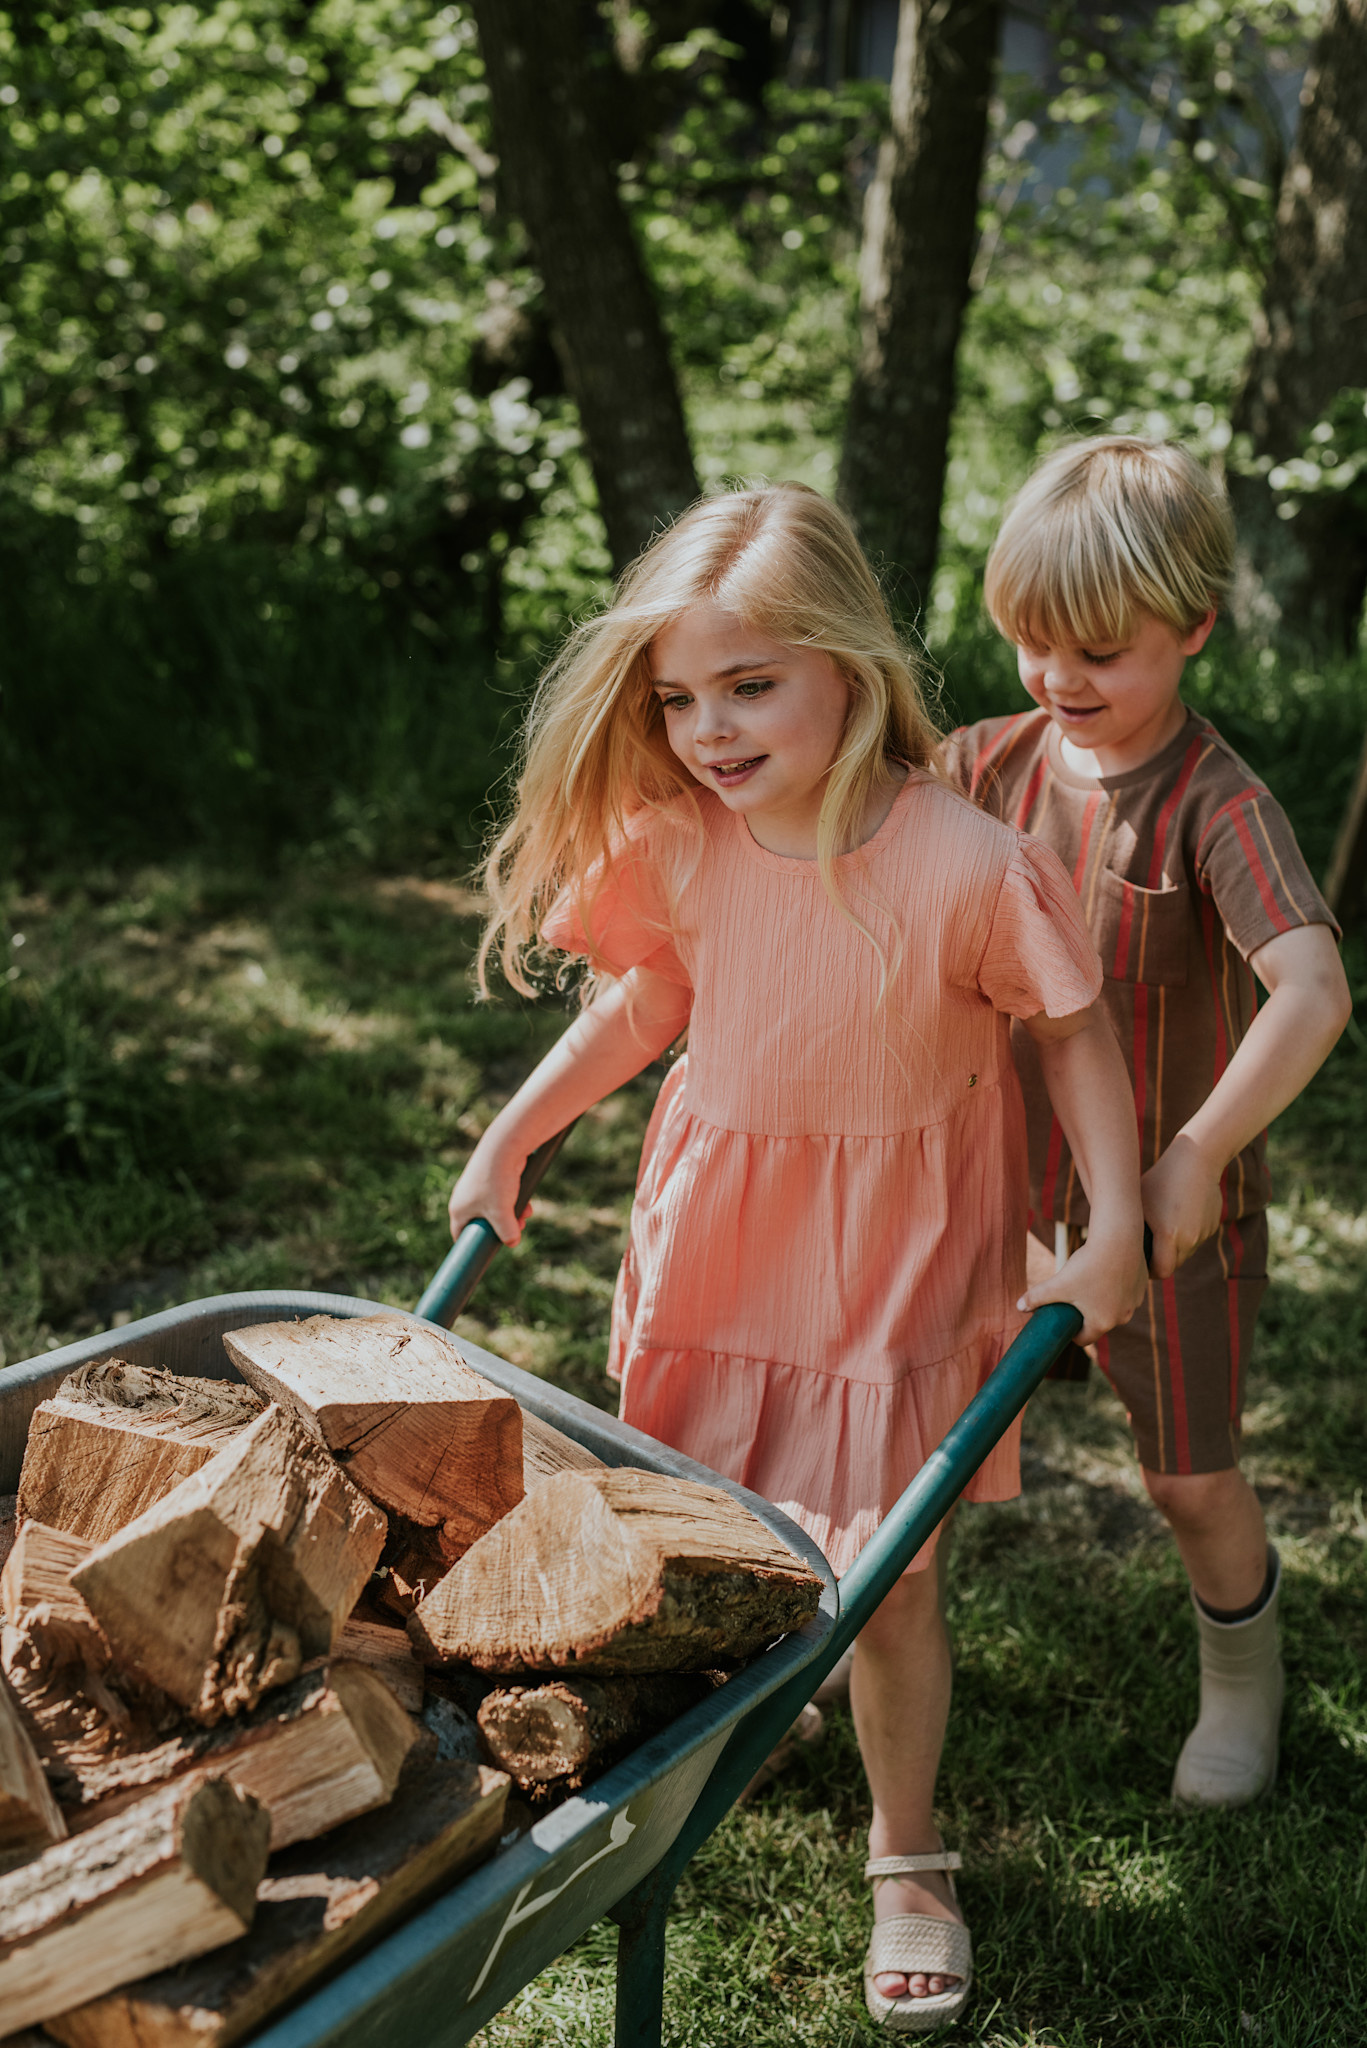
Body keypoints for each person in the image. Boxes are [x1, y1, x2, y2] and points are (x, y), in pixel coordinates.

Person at [448, 483, 1147, 2032]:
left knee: (890, 1584)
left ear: (849, 661)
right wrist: (514, 1136)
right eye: (680, 696)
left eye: (749, 685)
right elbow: (641, 1008)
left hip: (896, 1259)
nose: (709, 728)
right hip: (721, 1240)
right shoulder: (682, 839)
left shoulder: (967, 862)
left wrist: (1108, 1227)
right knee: (702, 1526)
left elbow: (1073, 1033)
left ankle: (910, 1854)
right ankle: (732, 1716)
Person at [946, 436, 1352, 1810]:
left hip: (1174, 1206)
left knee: (1187, 1480)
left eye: (1101, 652)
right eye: (1033, 644)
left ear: (1194, 630)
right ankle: (868, 1635)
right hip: (995, 1183)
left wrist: (1198, 1155)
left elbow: (1311, 988)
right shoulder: (984, 767)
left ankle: (1244, 1673)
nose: (1061, 681)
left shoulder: (1219, 803)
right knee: (922, 1421)